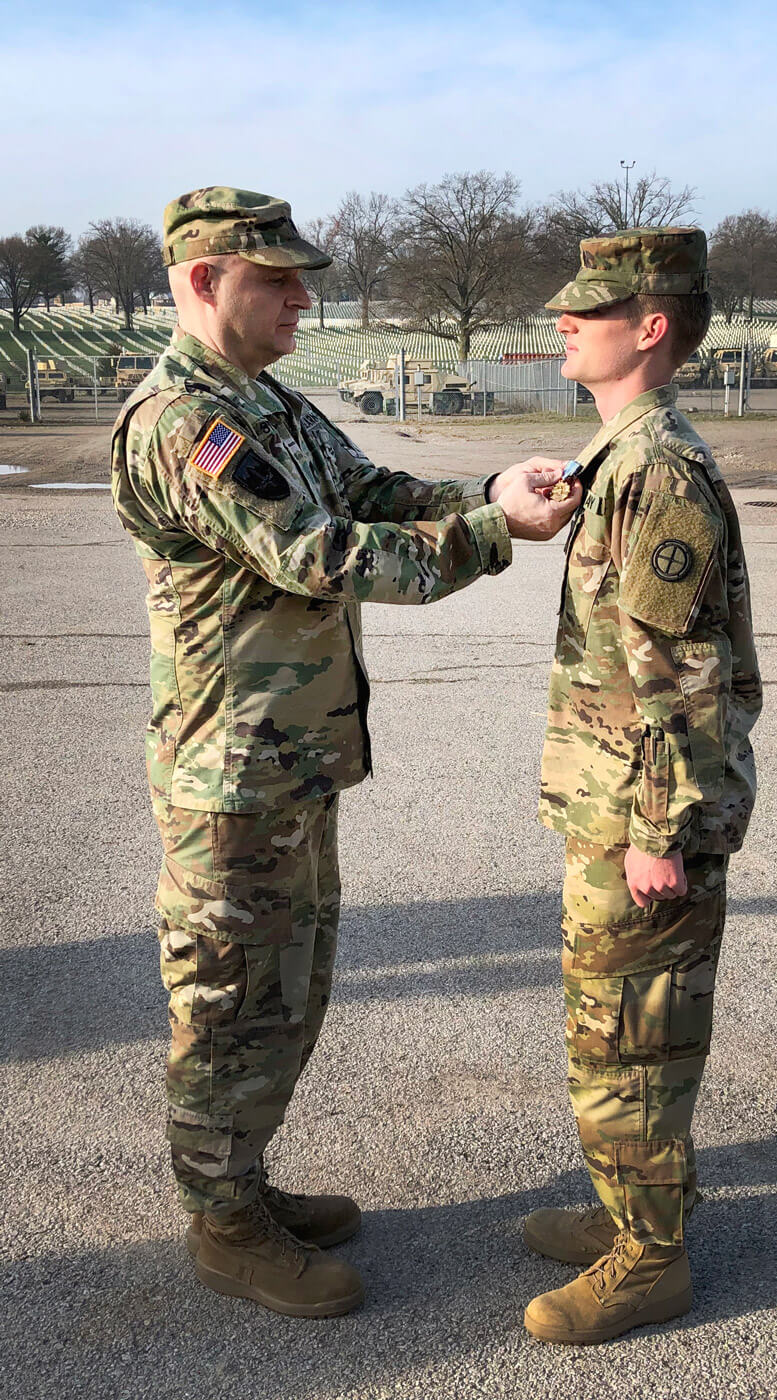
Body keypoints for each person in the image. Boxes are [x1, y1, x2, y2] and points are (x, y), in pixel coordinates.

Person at [110, 187, 579, 1319]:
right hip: (227, 776)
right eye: (276, 279)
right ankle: (221, 1221)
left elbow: (370, 490)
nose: (300, 297)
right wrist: (487, 533)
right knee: (229, 997)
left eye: (299, 276)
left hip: (290, 764)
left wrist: (483, 489)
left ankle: (246, 1181)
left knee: (288, 986)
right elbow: (320, 552)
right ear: (203, 279)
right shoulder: (188, 422)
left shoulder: (266, 402)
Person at [521, 228, 763, 1344]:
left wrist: (659, 828)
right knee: (614, 1028)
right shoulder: (619, 453)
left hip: (642, 811)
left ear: (650, 326)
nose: (563, 321)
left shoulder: (657, 469)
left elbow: (680, 675)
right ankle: (634, 1205)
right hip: (612, 795)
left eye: (590, 308)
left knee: (633, 1034)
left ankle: (649, 1256)